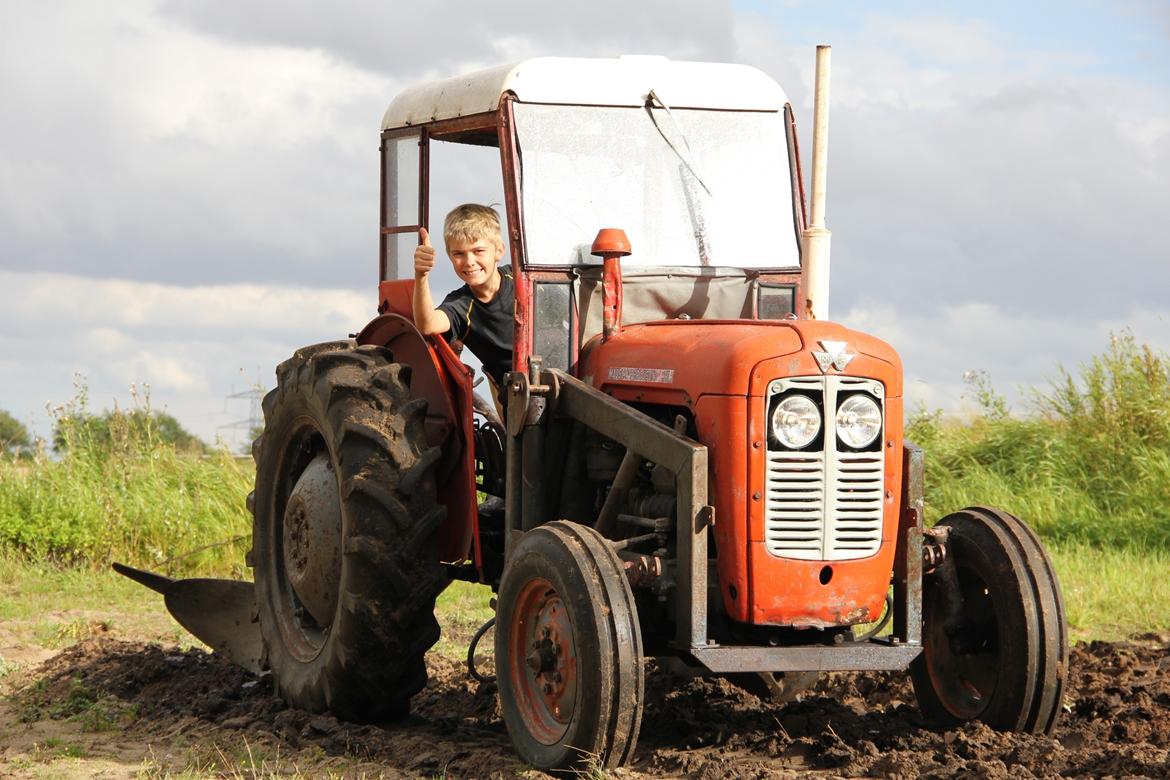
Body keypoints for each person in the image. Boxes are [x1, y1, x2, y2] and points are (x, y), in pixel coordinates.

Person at [412, 203, 514, 413]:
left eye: (478, 251)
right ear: (450, 257)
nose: (469, 262)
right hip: (517, 396)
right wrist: (421, 276)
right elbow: (428, 324)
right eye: (459, 254)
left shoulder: (522, 280)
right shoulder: (461, 305)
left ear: (499, 251)